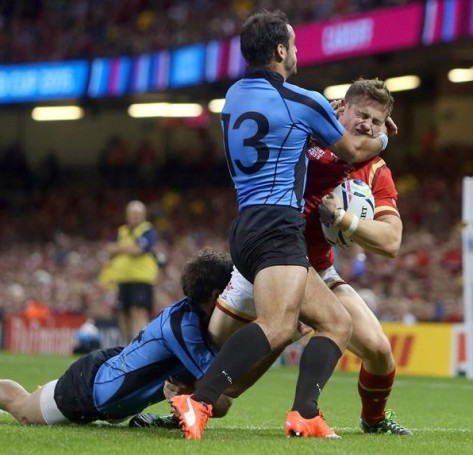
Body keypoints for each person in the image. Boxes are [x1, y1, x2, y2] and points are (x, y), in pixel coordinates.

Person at [132, 78, 410, 436]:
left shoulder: (374, 169)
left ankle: (371, 420)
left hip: (318, 271)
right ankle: (165, 398)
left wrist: (343, 220)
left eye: (376, 122)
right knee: (225, 392)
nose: (367, 127)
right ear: (341, 107)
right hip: (269, 262)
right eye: (363, 116)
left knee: (378, 350)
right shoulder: (305, 135)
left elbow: (391, 241)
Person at [169, 11, 389, 440]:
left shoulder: (233, 96)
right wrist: (381, 137)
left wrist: (324, 112)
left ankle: (305, 414)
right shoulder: (302, 101)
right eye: (294, 44)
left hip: (248, 222)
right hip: (277, 224)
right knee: (278, 325)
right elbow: (350, 148)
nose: (298, 52)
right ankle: (199, 400)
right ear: (280, 51)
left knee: (336, 323)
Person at [0, 249, 235, 426]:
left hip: (109, 379)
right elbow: (219, 403)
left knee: (35, 400)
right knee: (23, 411)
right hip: (90, 390)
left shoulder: (192, 319)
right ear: (215, 294)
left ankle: (41, 391)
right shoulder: (187, 329)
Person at [105, 200, 159, 343]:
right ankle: (126, 346)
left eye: (138, 214)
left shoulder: (147, 230)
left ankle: (142, 344)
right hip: (123, 279)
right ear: (127, 215)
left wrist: (120, 248)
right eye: (133, 214)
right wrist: (127, 248)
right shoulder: (121, 231)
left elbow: (139, 250)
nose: (135, 216)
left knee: (138, 311)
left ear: (144, 215)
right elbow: (109, 249)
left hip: (141, 279)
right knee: (123, 313)